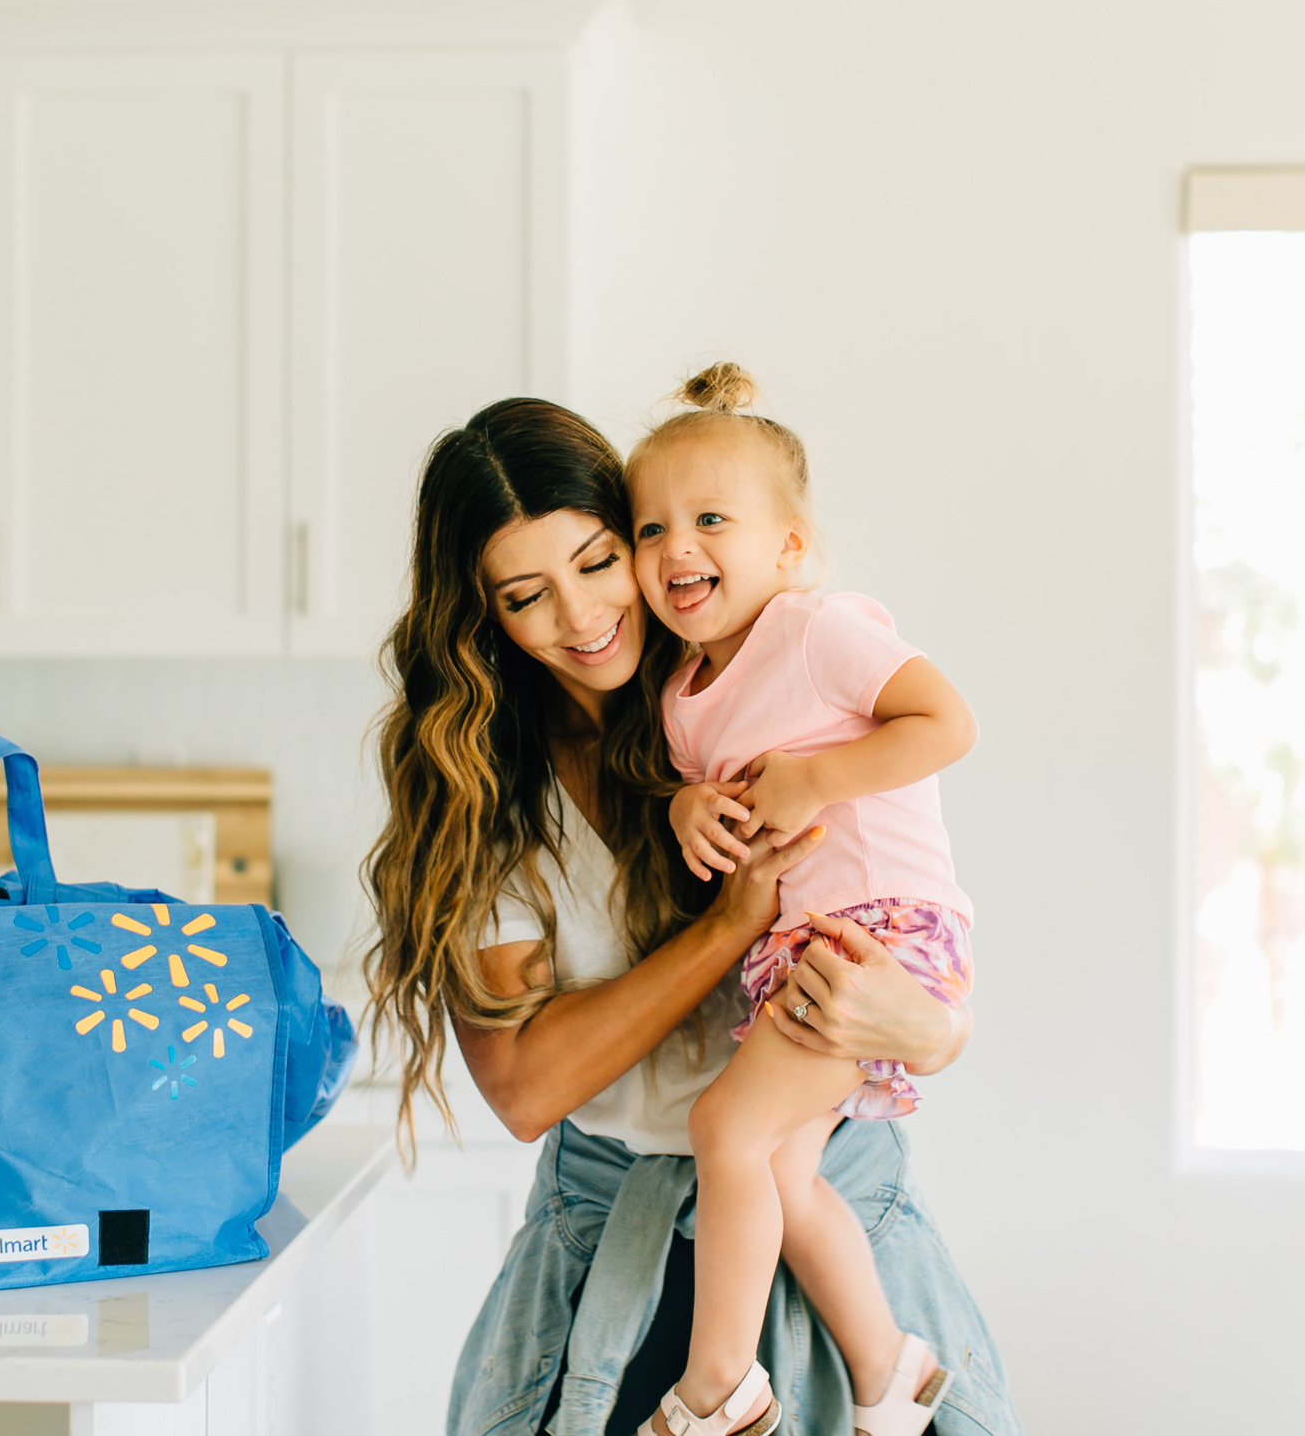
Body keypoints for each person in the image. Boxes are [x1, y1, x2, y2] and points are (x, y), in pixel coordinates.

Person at [360, 396, 1021, 1436]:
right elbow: (523, 1086)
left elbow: (910, 931)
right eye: (526, 595)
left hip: (829, 1218)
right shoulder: (486, 795)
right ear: (482, 614)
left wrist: (936, 1029)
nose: (580, 618)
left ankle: (855, 1374)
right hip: (613, 1257)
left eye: (596, 561)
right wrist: (722, 928)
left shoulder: (759, 687)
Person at [631, 364, 976, 1436]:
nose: (675, 549)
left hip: (879, 930)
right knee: (778, 1169)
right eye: (649, 529)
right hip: (795, 944)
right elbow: (710, 800)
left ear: (785, 547)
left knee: (722, 1127)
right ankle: (886, 1365)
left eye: (709, 520)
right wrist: (690, 810)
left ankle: (716, 1389)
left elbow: (944, 722)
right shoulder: (681, 699)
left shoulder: (815, 630)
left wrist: (817, 778)